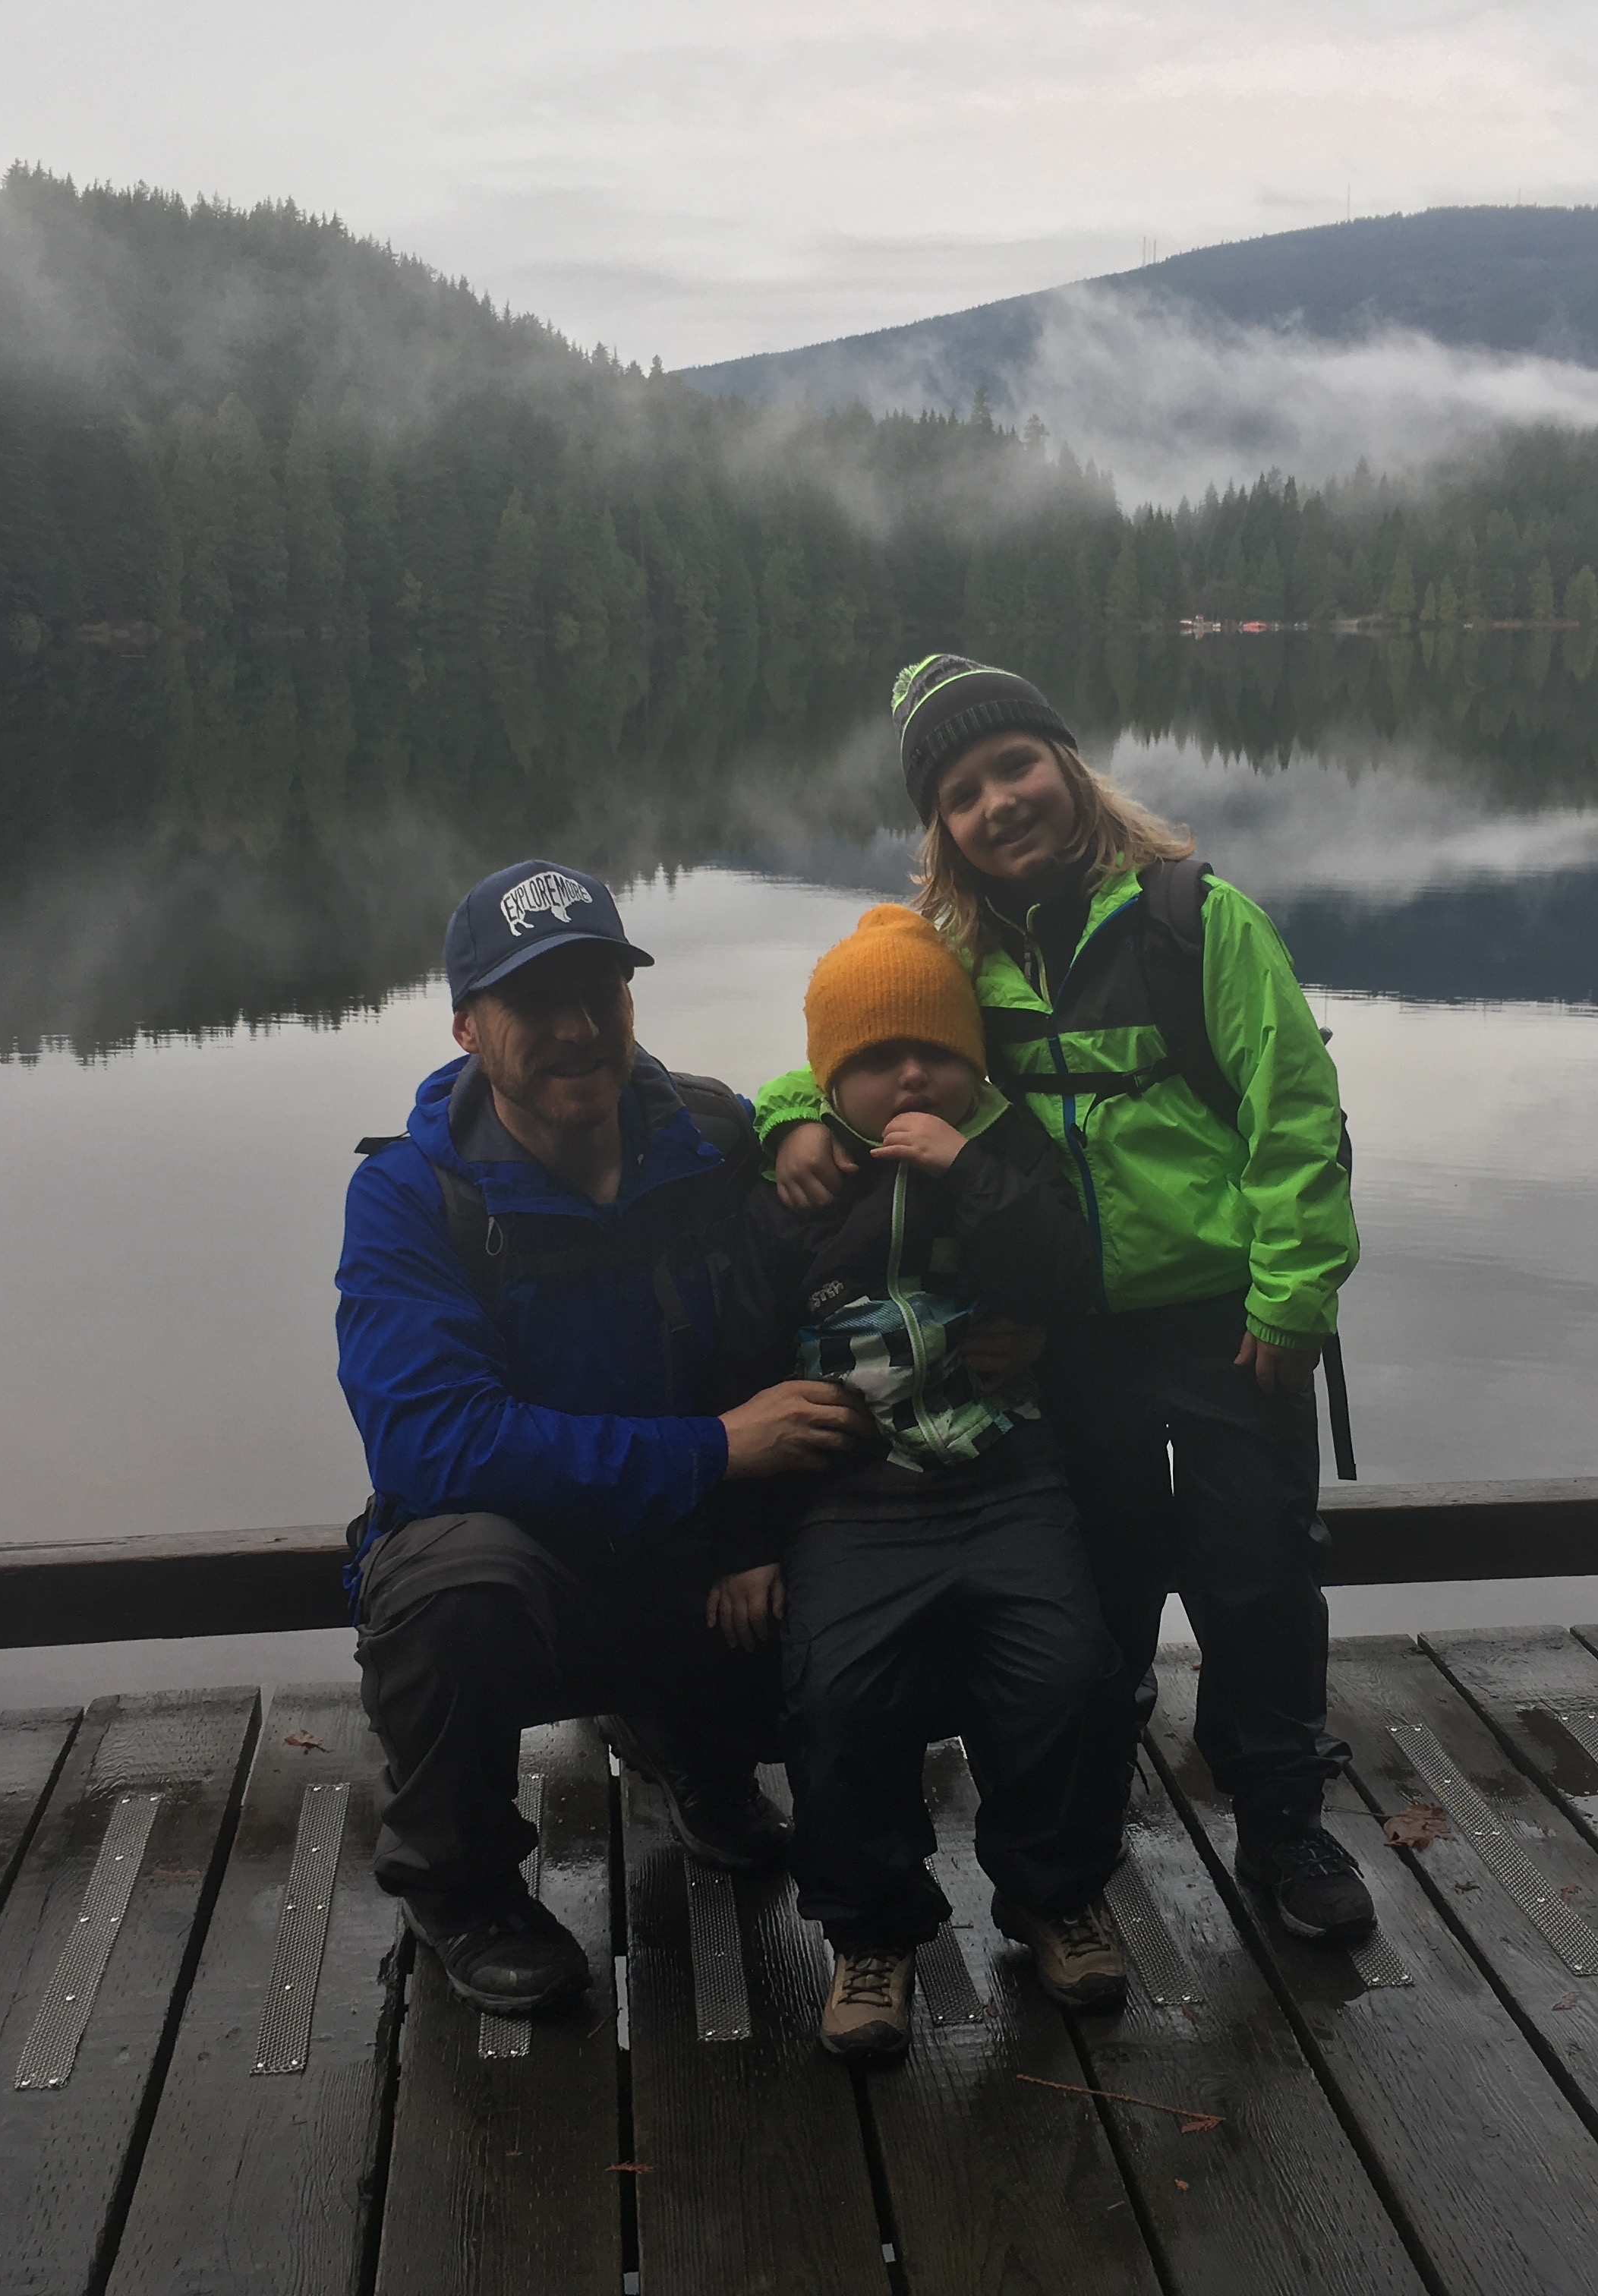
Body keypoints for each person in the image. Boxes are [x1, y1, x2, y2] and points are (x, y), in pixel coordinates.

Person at [756, 658, 1376, 1943]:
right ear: (943, 830)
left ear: (1069, 769)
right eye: (962, 794)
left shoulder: (1196, 920)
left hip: (1232, 1321)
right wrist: (784, 1122)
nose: (998, 803)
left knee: (1259, 1573)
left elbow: (1296, 1117)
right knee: (1107, 1580)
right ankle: (1082, 1827)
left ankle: (1282, 1820)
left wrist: (1293, 1297)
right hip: (1071, 1334)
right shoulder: (956, 959)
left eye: (1016, 767)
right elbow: (848, 1050)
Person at [338, 857, 872, 2016]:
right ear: (467, 1027)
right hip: (540, 1574)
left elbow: (841, 1168)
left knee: (859, 1547)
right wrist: (714, 1450)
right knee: (448, 1586)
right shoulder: (410, 1198)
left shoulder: (715, 1134)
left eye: (601, 992)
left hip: (701, 1555)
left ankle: (698, 1750)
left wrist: (802, 1129)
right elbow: (433, 1445)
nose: (578, 1028)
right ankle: (462, 1889)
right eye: (536, 1002)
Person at [707, 904, 1135, 2060]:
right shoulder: (790, 1186)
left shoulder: (1012, 1154)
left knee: (1067, 1672)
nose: (911, 1076)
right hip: (851, 1493)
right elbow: (736, 1366)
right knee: (839, 1698)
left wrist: (971, 1172)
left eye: (936, 1051)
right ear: (828, 1077)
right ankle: (873, 1931)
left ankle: (1055, 1896)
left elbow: (1067, 1269)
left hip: (1005, 1470)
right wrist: (744, 1545)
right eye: (879, 1056)